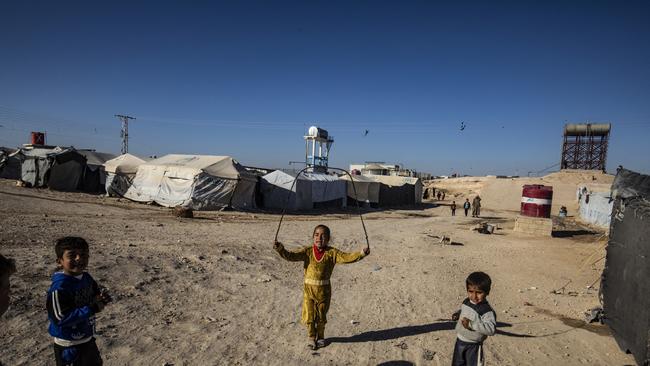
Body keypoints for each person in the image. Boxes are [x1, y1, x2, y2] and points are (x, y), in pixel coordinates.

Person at [273, 225, 370, 350]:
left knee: (321, 316)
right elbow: (290, 256)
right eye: (317, 234)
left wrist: (362, 253)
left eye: (323, 235)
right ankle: (311, 337)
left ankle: (321, 337)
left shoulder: (332, 253)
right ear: (313, 237)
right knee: (309, 316)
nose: (320, 238)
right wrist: (280, 248)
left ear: (328, 239)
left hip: (324, 292)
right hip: (309, 291)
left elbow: (347, 257)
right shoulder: (307, 252)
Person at [46, 237, 111, 366]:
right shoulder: (60, 287)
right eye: (72, 255)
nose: (78, 258)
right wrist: (92, 308)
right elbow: (60, 318)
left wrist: (102, 298)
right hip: (69, 345)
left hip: (87, 339)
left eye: (83, 255)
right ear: (60, 261)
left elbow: (95, 293)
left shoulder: (86, 278)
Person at [451, 272, 497, 366]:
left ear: (487, 292)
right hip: (460, 341)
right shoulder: (467, 301)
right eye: (470, 291)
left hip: (474, 346)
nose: (474, 296)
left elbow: (491, 329)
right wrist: (458, 314)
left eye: (479, 292)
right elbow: (464, 310)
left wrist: (471, 324)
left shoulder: (486, 310)